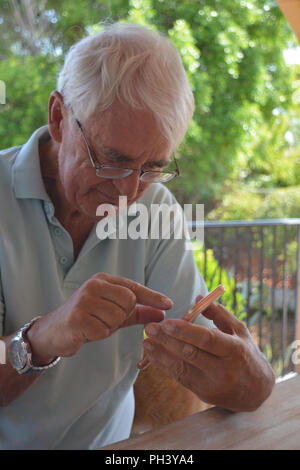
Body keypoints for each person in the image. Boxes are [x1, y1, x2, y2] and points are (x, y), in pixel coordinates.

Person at [0, 22, 275, 450]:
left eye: (151, 168)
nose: (127, 192)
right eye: (112, 160)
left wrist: (251, 377)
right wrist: (42, 339)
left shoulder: (156, 208)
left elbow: (242, 385)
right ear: (58, 118)